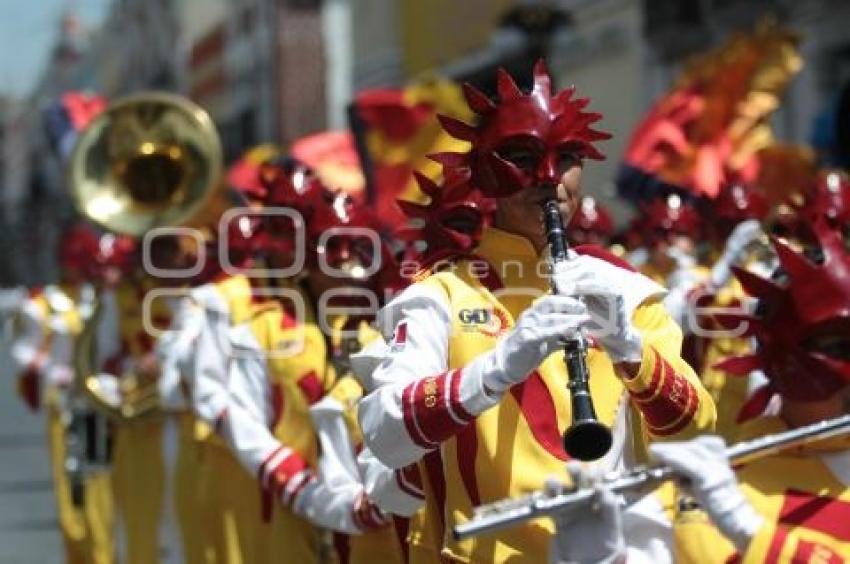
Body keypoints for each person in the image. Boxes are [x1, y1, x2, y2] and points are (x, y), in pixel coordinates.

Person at [357, 61, 716, 563]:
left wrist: (629, 349)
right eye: (523, 157)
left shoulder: (627, 290)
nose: (549, 178)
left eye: (567, 156)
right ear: (485, 171)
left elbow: (698, 426)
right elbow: (384, 433)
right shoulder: (437, 296)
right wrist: (495, 369)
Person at [551, 214, 850, 563]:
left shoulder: (725, 501)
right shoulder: (696, 497)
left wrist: (752, 535)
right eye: (838, 349)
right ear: (782, 363)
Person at [10, 223, 114, 564]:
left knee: (104, 486)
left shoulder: (100, 297)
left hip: (104, 403)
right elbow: (23, 351)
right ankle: (79, 553)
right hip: (65, 402)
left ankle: (105, 552)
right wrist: (56, 372)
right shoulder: (42, 303)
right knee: (72, 486)